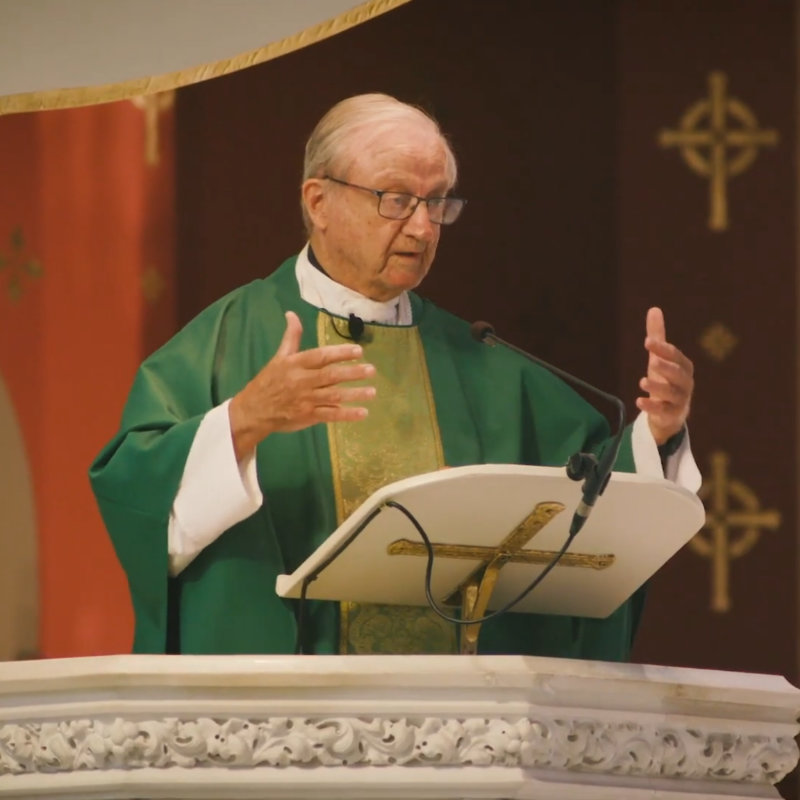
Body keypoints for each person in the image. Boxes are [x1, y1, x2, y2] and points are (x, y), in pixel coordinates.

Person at [90, 93, 698, 658]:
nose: (423, 227)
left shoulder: (482, 362)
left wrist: (657, 435)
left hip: (457, 715)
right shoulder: (233, 340)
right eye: (396, 199)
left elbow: (592, 511)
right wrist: (243, 421)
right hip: (287, 712)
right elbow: (138, 501)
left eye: (437, 202)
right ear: (318, 202)